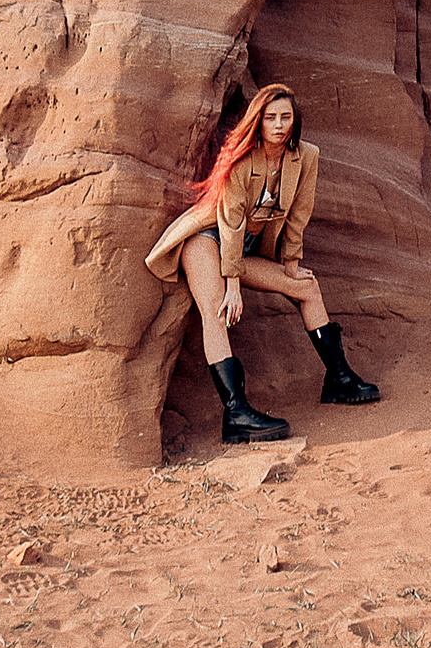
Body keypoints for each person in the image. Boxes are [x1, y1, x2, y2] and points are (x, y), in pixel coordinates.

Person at [144, 82, 380, 442]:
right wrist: (233, 286)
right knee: (215, 309)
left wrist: (291, 263)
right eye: (271, 118)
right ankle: (236, 413)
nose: (279, 125)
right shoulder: (240, 159)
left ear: (295, 119)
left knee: (307, 287)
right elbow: (231, 222)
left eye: (286, 117)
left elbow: (300, 212)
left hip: (244, 248)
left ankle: (339, 379)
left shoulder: (306, 156)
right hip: (207, 238)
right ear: (259, 121)